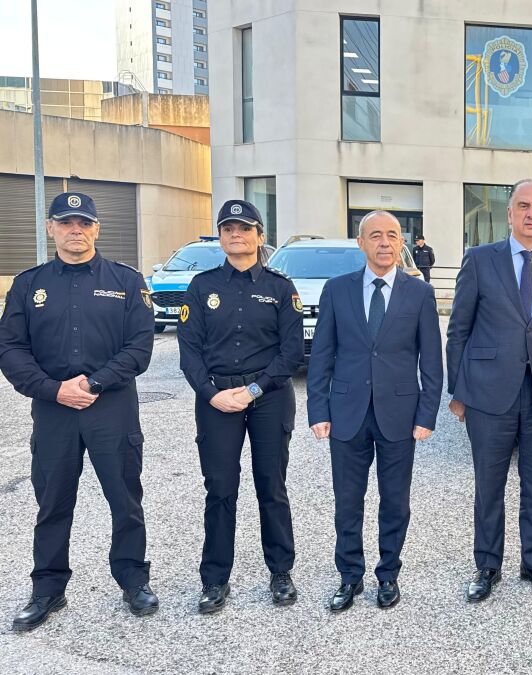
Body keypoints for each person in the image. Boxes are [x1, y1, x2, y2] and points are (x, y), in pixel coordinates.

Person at [0, 192, 158, 631]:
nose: (76, 230)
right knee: (52, 502)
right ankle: (48, 588)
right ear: (50, 228)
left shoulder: (126, 281)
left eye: (84, 223)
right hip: (54, 410)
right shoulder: (28, 285)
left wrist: (93, 383)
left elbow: (139, 347)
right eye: (66, 222)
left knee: (125, 499)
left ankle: (133, 580)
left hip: (112, 408)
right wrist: (53, 390)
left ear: (96, 229)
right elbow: (10, 349)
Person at [446, 178, 532, 603]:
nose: (531, 213)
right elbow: (458, 329)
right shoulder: (480, 260)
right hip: (488, 394)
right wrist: (457, 391)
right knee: (489, 484)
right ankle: (487, 565)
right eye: (523, 205)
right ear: (509, 214)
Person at [307, 211, 442, 611]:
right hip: (346, 412)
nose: (385, 242)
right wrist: (318, 409)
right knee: (348, 500)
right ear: (361, 242)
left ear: (402, 242)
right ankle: (350, 577)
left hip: (399, 414)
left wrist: (426, 414)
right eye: (376, 235)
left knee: (395, 501)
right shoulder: (337, 290)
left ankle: (388, 575)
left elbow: (431, 361)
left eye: (393, 235)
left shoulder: (419, 293)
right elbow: (322, 355)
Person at [177, 199, 304, 614]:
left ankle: (280, 572)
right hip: (216, 397)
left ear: (259, 236)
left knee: (271, 485)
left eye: (245, 228)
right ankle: (215, 579)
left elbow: (290, 352)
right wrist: (210, 393)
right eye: (228, 228)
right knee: (220, 488)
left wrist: (252, 390)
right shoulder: (202, 287)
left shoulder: (280, 288)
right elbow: (189, 350)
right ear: (220, 236)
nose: (236, 234)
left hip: (267, 396)